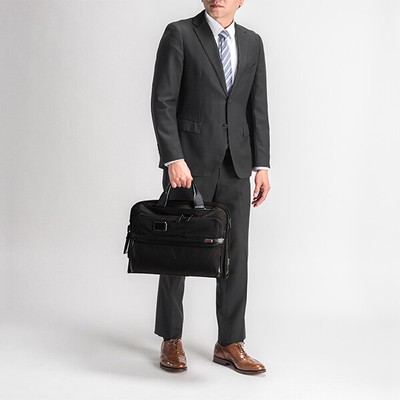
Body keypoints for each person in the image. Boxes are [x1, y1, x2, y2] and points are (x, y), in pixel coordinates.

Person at [150, 0, 271, 374]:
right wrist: (173, 158)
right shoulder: (180, 34)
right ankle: (171, 338)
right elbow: (163, 101)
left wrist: (262, 165)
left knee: (236, 254)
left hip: (237, 166)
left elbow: (257, 107)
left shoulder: (252, 42)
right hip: (188, 166)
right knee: (177, 252)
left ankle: (230, 342)